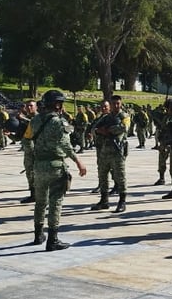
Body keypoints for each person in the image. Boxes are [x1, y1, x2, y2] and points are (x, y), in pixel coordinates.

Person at [30, 90, 87, 250]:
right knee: (56, 202)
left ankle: (38, 235)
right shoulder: (58, 122)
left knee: (40, 202)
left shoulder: (34, 121)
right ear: (57, 104)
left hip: (38, 166)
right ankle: (52, 240)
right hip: (55, 166)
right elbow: (66, 145)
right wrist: (78, 161)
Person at [91, 95, 130, 213]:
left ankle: (122, 201)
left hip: (117, 152)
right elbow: (93, 128)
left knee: (120, 177)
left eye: (118, 103)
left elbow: (124, 128)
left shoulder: (125, 116)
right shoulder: (106, 117)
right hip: (104, 151)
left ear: (121, 104)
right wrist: (99, 130)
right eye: (114, 104)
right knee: (103, 176)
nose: (116, 106)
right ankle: (104, 201)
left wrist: (107, 130)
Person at [19, 100, 38, 202]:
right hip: (28, 151)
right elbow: (21, 135)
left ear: (36, 107)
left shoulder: (39, 118)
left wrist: (24, 119)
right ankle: (33, 194)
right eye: (27, 106)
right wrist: (10, 135)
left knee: (37, 174)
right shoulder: (26, 119)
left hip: (37, 151)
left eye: (31, 106)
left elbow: (34, 125)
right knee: (29, 173)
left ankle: (39, 194)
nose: (29, 108)